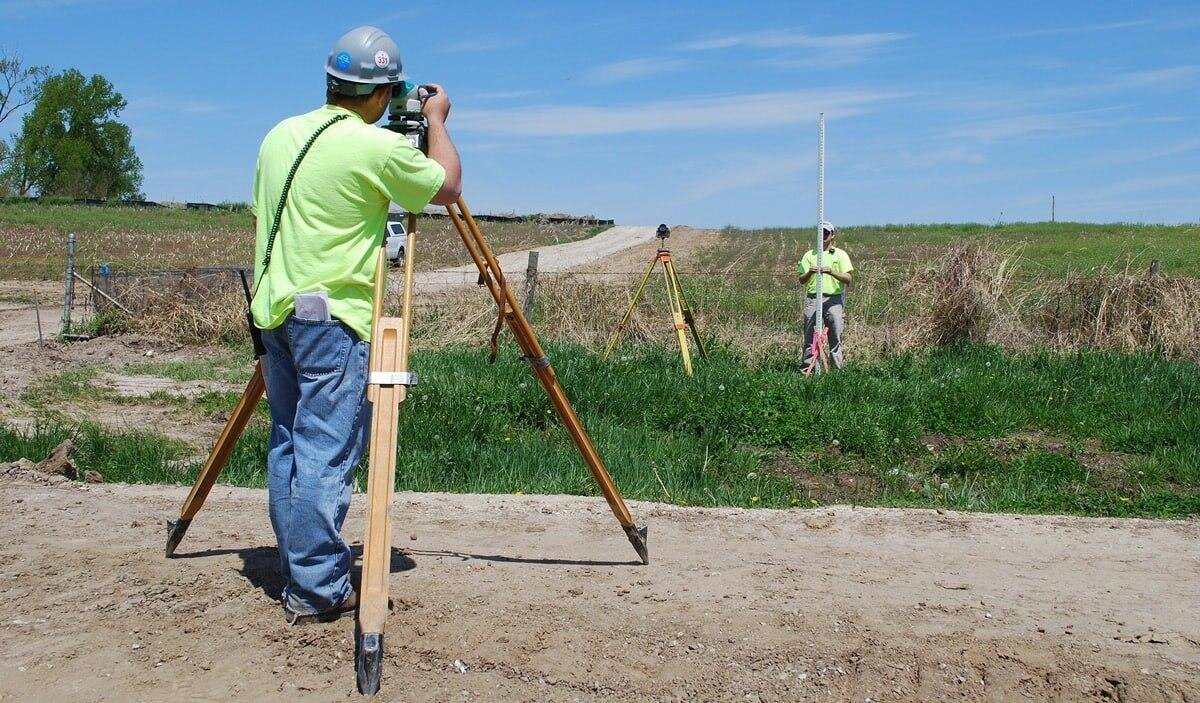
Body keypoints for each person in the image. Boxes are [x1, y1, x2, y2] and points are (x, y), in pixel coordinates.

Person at [249, 26, 462, 624]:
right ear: (381, 92)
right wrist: (436, 119)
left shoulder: (279, 136)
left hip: (275, 315)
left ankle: (299, 564)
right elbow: (446, 185)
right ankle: (317, 589)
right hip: (332, 321)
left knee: (289, 442)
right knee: (325, 452)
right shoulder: (374, 149)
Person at [797, 221, 853, 370]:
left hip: (833, 299)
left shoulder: (840, 255)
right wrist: (809, 271)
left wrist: (832, 272)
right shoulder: (809, 255)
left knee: (835, 335)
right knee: (810, 336)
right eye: (820, 233)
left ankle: (837, 370)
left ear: (832, 235)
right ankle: (808, 369)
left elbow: (848, 279)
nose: (823, 236)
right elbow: (801, 280)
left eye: (826, 233)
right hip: (813, 298)